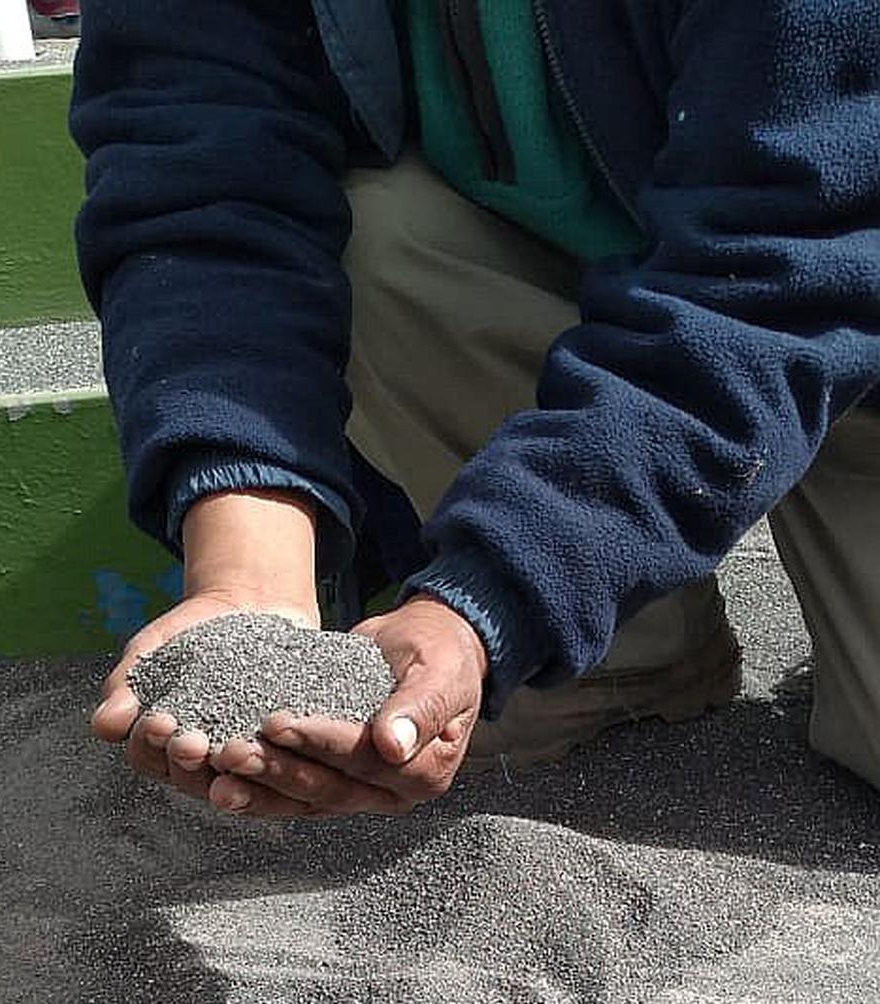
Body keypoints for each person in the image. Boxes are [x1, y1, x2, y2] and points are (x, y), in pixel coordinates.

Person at [70, 0, 880, 823]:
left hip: (835, 294)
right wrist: (253, 570)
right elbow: (200, 174)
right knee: (379, 233)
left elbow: (785, 275)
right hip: (601, 280)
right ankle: (619, 654)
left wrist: (498, 590)